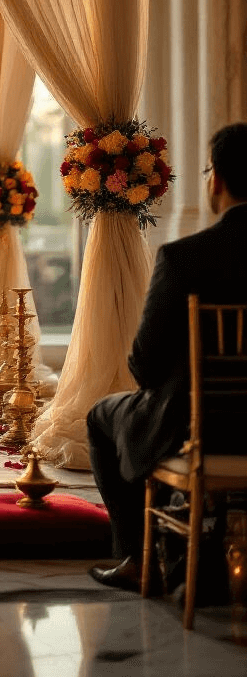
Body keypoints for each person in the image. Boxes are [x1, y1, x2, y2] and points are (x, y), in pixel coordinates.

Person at [87, 122, 247, 591]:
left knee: (102, 416)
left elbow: (145, 366)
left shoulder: (186, 257)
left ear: (215, 179)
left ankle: (140, 558)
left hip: (201, 429)